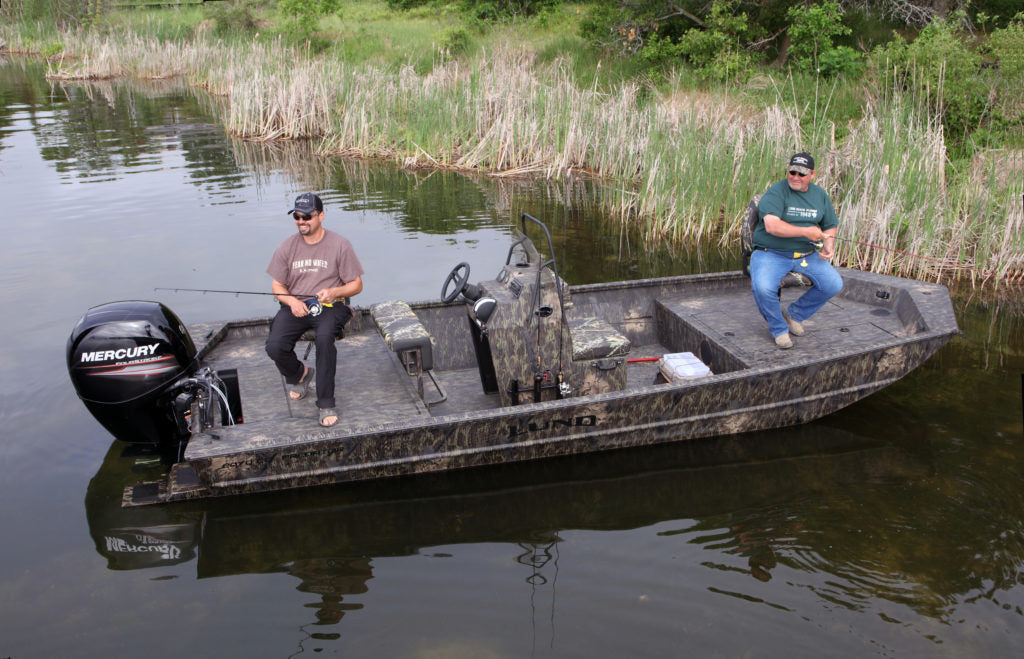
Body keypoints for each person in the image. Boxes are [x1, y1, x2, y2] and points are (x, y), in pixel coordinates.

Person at [265, 192, 364, 427]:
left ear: (321, 215)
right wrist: (292, 302)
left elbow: (357, 285)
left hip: (332, 307)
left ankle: (326, 403)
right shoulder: (286, 246)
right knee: (275, 346)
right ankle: (299, 374)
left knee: (324, 339)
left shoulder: (340, 244)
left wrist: (334, 292)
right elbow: (277, 285)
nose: (301, 221)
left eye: (307, 216)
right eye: (297, 217)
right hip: (297, 306)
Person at [751, 153, 843, 349]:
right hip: (771, 252)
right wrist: (806, 231)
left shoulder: (820, 195)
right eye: (792, 172)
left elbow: (830, 224)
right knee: (763, 287)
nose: (795, 177)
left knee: (833, 284)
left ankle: (794, 314)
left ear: (812, 174)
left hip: (806, 254)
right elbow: (772, 226)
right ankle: (778, 328)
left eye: (801, 174)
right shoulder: (777, 191)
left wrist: (829, 246)